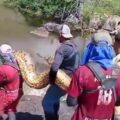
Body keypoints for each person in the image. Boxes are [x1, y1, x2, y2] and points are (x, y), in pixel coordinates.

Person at [67, 33, 120, 120]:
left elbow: (71, 102)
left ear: (91, 48)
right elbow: (118, 102)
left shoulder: (82, 71)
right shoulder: (118, 72)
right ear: (110, 49)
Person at [42, 24, 80, 120]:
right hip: (71, 80)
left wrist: (51, 80)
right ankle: (56, 117)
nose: (57, 36)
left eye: (58, 34)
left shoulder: (62, 49)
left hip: (62, 80)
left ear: (61, 35)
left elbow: (54, 67)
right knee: (55, 99)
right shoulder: (74, 46)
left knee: (46, 102)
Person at [0, 44, 23, 120]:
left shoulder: (3, 69)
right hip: (17, 92)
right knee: (11, 109)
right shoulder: (18, 64)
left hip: (7, 94)